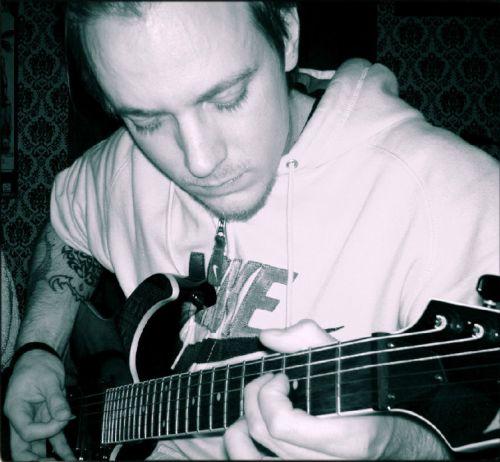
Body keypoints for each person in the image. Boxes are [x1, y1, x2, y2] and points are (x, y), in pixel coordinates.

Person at [4, 1, 498, 460]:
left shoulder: (459, 195)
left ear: (287, 32)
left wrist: (401, 447)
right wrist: (38, 350)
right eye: (147, 121)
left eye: (228, 97)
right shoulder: (122, 164)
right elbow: (65, 232)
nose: (200, 161)